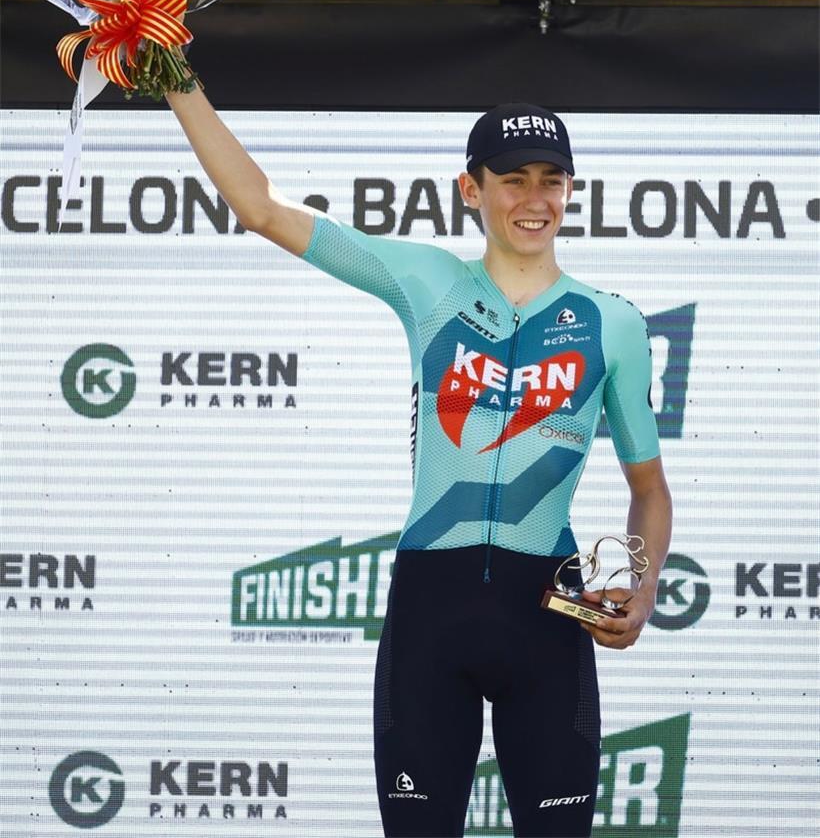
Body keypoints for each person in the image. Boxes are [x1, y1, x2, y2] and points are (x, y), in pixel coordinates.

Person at [166, 85, 673, 838]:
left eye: (551, 179)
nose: (534, 198)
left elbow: (649, 490)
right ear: (471, 189)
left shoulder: (614, 323)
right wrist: (176, 77)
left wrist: (643, 581)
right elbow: (262, 208)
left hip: (548, 617)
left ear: (570, 189)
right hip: (432, 610)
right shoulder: (428, 283)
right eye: (512, 178)